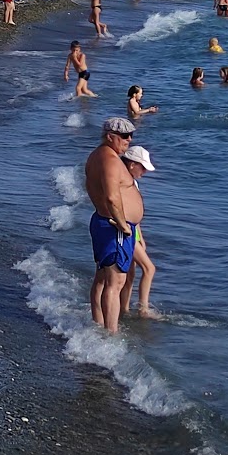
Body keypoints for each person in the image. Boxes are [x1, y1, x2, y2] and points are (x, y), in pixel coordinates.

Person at [85, 117, 141, 334]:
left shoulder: (97, 156)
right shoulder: (109, 160)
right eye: (125, 136)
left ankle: (98, 326)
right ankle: (111, 335)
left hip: (104, 223)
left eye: (131, 136)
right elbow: (111, 196)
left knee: (102, 278)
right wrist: (123, 225)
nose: (129, 140)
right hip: (115, 227)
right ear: (110, 137)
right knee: (116, 282)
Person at [117, 145, 158, 319]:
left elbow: (134, 211)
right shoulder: (123, 181)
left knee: (130, 273)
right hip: (124, 230)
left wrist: (140, 235)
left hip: (133, 230)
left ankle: (124, 309)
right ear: (132, 164)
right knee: (149, 268)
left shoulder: (132, 181)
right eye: (143, 167)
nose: (145, 172)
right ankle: (143, 309)